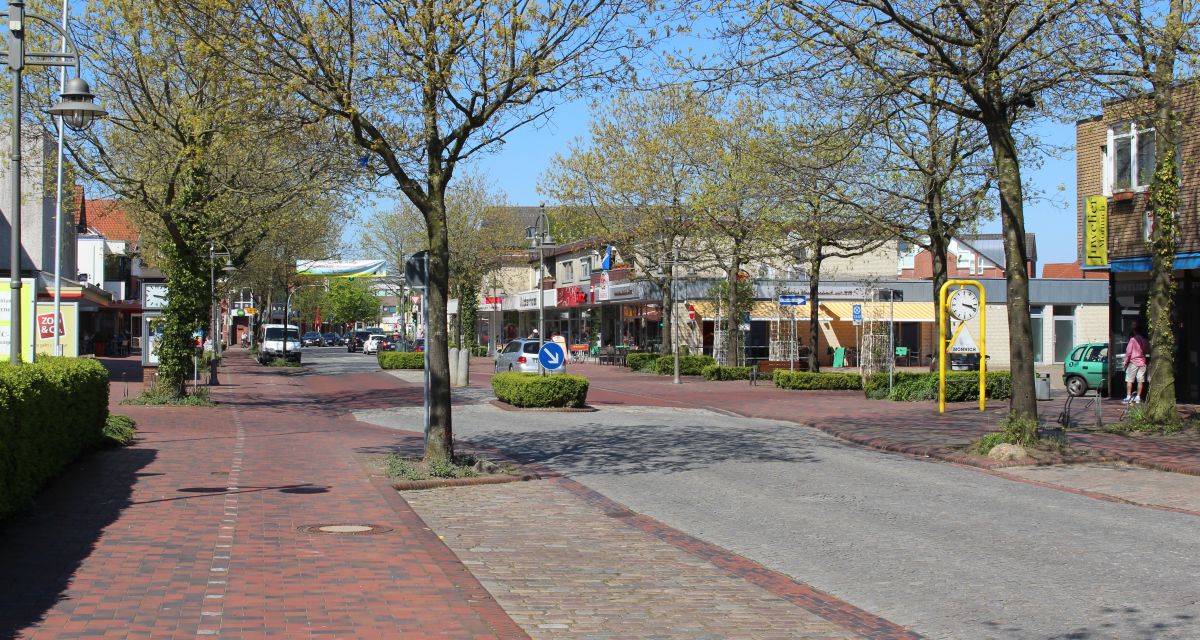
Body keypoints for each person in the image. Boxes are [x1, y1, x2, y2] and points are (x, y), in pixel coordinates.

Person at [1124, 321, 1149, 404]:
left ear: (1134, 331)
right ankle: (1138, 397)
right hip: (1142, 363)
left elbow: (1128, 352)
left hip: (1133, 362)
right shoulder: (1144, 341)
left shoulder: (1133, 340)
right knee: (1140, 380)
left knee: (1129, 380)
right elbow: (1146, 351)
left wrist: (1126, 362)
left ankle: (1128, 396)